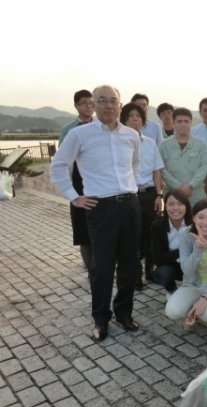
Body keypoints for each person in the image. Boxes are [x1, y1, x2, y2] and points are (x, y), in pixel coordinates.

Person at [51, 84, 141, 341]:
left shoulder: (131, 135)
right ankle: (101, 319)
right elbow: (58, 166)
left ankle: (124, 312)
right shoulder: (80, 135)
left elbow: (135, 165)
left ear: (120, 105)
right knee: (101, 267)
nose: (108, 105)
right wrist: (74, 197)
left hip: (130, 206)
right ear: (94, 104)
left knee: (130, 264)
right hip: (100, 208)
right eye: (102, 100)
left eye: (113, 101)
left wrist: (130, 188)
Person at [164, 198, 207, 327]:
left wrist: (206, 297)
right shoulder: (185, 234)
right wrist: (198, 250)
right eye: (201, 217)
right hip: (192, 285)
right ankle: (194, 307)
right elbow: (187, 270)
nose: (205, 222)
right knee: (172, 311)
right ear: (193, 218)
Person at [119, 102, 164, 286]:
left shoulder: (150, 143)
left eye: (138, 116)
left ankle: (150, 271)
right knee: (132, 235)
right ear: (124, 120)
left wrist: (159, 195)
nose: (135, 120)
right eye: (131, 117)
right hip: (129, 195)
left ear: (143, 121)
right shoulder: (119, 143)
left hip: (149, 194)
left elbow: (157, 171)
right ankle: (135, 274)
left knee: (151, 233)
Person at [58, 89, 95, 275]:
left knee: (101, 229)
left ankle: (102, 268)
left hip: (98, 183)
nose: (88, 106)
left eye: (91, 102)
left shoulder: (101, 126)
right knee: (83, 232)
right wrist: (71, 193)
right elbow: (62, 162)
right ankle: (91, 270)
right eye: (83, 103)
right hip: (78, 184)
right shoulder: (68, 130)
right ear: (76, 106)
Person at [159, 107, 207, 207]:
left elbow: (204, 167)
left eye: (186, 121)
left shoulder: (201, 144)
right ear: (173, 123)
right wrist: (178, 187)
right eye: (179, 121)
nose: (183, 124)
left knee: (199, 216)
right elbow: (162, 169)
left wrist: (191, 185)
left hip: (196, 194)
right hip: (172, 196)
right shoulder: (163, 146)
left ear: (191, 123)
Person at [150, 190, 192, 294]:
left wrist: (170, 255)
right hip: (171, 266)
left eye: (180, 204)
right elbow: (158, 259)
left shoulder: (193, 224)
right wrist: (183, 250)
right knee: (163, 273)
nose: (175, 208)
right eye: (171, 204)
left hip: (191, 264)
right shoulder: (158, 226)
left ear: (186, 206)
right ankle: (172, 291)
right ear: (165, 206)